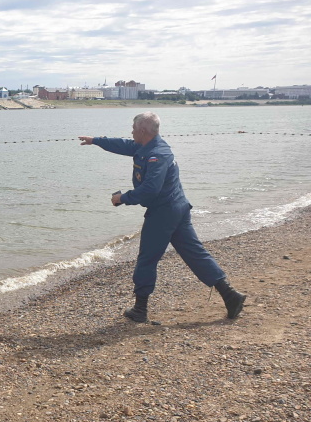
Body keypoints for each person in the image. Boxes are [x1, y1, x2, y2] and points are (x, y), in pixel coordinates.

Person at [78, 112, 245, 322]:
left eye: (133, 128)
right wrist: (95, 141)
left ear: (142, 131)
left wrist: (122, 198)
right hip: (176, 207)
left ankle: (140, 309)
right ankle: (230, 295)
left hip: (164, 212)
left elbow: (150, 190)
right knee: (194, 253)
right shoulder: (145, 145)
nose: (131, 131)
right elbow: (123, 145)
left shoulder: (158, 154)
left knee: (147, 258)